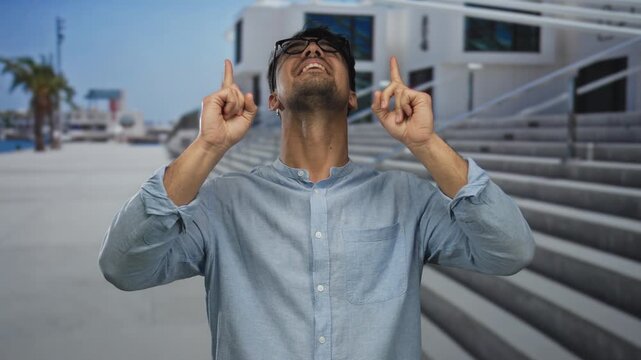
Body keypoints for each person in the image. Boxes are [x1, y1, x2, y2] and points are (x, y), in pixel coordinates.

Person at [99, 26, 535, 359]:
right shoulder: (220, 204)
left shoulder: (409, 200)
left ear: (352, 97)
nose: (311, 52)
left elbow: (510, 252)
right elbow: (124, 267)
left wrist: (424, 144)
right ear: (273, 100)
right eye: (295, 50)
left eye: (328, 51)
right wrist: (209, 145)